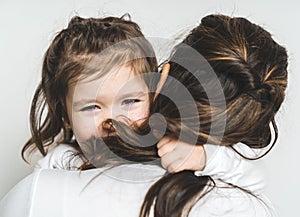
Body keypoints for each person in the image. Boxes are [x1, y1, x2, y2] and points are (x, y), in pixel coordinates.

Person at [0, 14, 287, 217]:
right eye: (91, 107)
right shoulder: (59, 163)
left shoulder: (170, 148)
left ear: (155, 93)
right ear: (66, 117)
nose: (112, 122)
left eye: (129, 101)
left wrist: (204, 157)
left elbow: (253, 177)